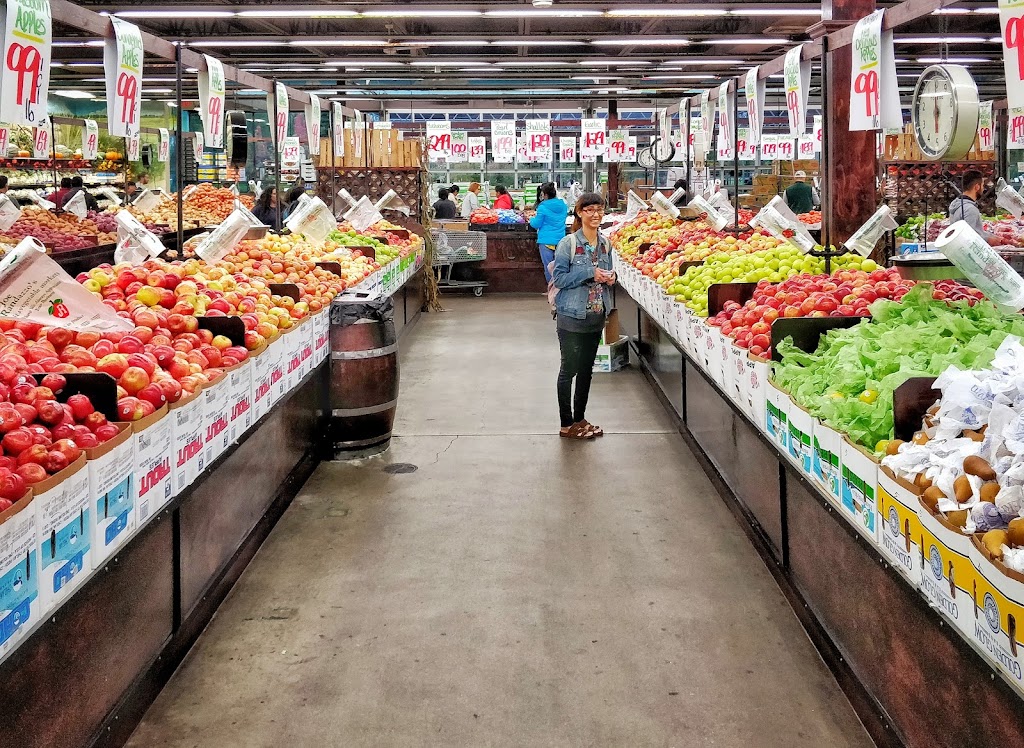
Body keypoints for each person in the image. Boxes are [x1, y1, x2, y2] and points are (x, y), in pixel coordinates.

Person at [551, 192, 615, 440]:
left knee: (587, 369)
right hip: (571, 316)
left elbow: (609, 273)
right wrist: (590, 273)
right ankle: (566, 424)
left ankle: (580, 419)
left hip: (596, 315)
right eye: (589, 210)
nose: (595, 214)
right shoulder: (568, 244)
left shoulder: (605, 243)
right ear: (579, 213)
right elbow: (559, 279)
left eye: (599, 209)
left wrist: (612, 278)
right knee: (569, 369)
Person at [949, 170, 1000, 246]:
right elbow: (968, 237)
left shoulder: (957, 203)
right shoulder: (970, 209)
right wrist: (988, 239)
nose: (983, 189)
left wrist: (989, 235)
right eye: (982, 185)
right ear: (977, 187)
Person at [529, 183, 568, 284]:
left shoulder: (542, 207)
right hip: (560, 239)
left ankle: (551, 289)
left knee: (548, 266)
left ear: (545, 195)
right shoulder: (563, 205)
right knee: (560, 266)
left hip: (546, 240)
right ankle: (560, 288)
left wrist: (531, 219)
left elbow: (536, 224)